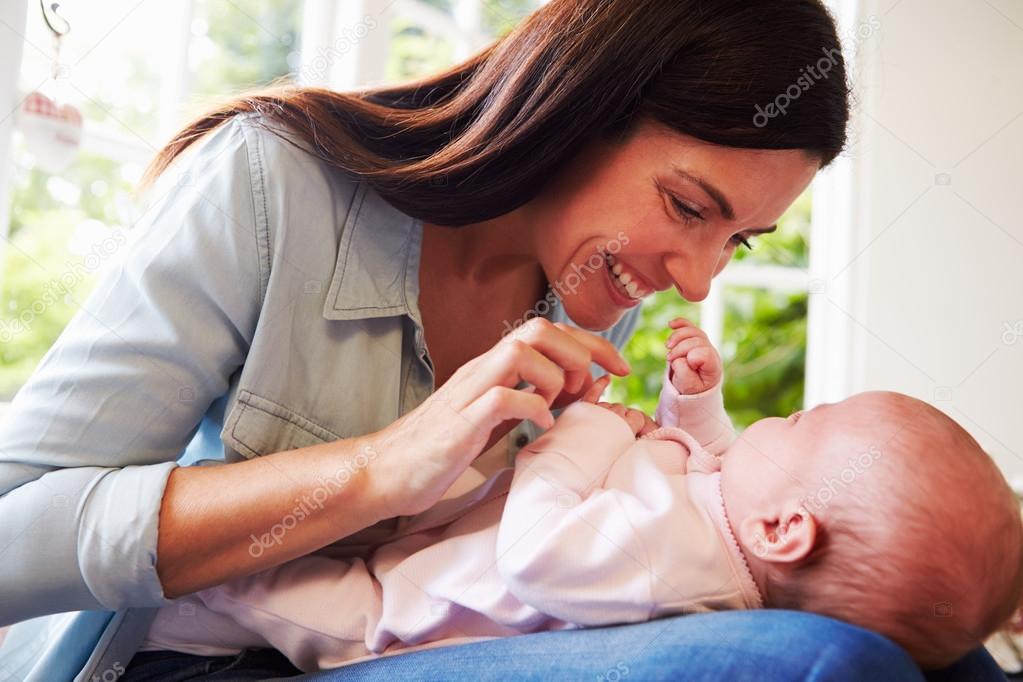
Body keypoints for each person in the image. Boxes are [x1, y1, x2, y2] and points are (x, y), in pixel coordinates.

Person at [0, 0, 1007, 679]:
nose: (698, 278)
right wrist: (379, 469)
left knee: (938, 630)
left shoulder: (587, 300)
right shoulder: (270, 186)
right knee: (817, 655)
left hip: (413, 635)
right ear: (582, 105)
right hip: (216, 653)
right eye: (687, 206)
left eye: (737, 239)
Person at [130, 318, 1023, 674]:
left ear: (787, 529)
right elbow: (701, 459)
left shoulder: (673, 565)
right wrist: (690, 404)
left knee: (242, 592)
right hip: (439, 539)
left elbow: (539, 556)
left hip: (396, 608)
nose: (779, 416)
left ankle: (123, 624)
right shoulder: (735, 522)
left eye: (800, 421)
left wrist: (587, 433)